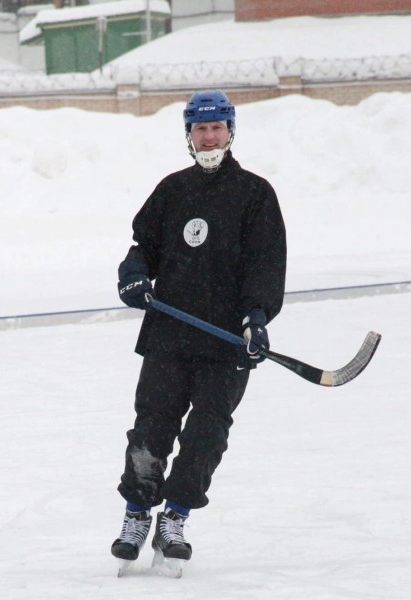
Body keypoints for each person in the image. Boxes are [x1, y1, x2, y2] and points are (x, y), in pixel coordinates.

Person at [111, 90, 287, 566]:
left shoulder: (255, 193)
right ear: (188, 135)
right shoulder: (172, 189)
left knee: (207, 435)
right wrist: (133, 274)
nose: (209, 136)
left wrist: (256, 318)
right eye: (200, 128)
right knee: (151, 428)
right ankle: (136, 513)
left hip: (225, 344)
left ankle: (175, 518)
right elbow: (141, 246)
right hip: (170, 334)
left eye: (216, 127)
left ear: (231, 131)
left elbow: (266, 265)